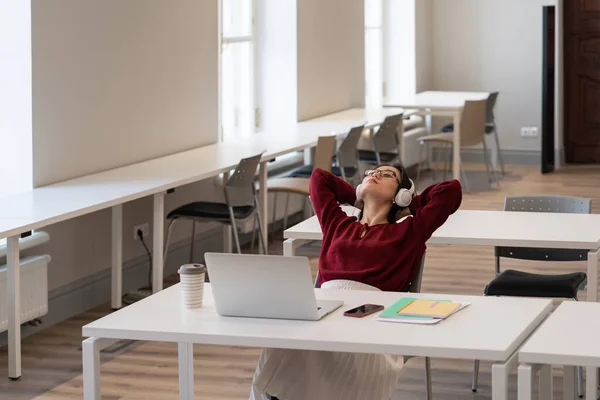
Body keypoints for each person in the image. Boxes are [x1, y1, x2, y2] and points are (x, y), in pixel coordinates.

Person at [250, 164, 462, 400]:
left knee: (311, 349)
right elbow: (319, 178)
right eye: (371, 173)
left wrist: (409, 205)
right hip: (326, 310)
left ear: (401, 194)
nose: (375, 175)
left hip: (371, 318)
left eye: (387, 174)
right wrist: (358, 195)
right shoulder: (337, 224)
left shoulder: (408, 232)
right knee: (284, 344)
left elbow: (451, 190)